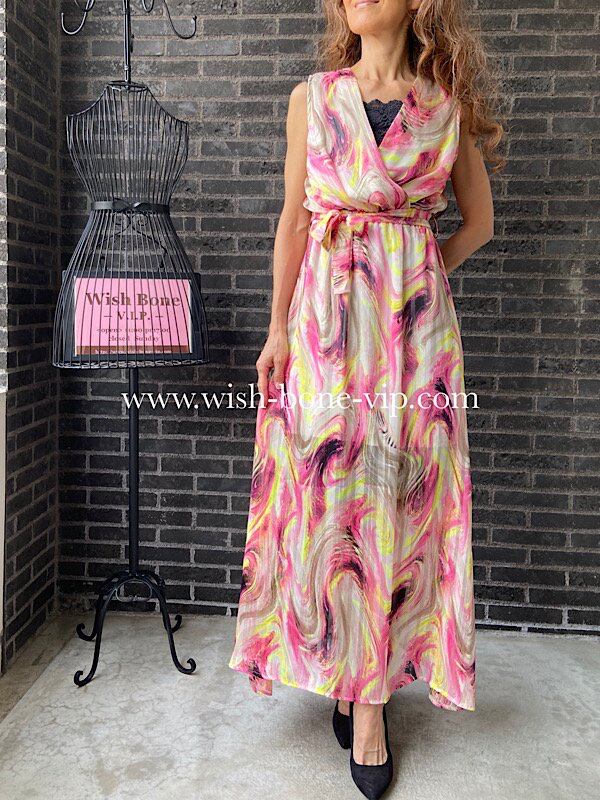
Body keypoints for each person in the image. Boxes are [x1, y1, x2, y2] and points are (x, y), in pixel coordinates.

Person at [229, 1, 503, 797]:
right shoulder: (313, 98)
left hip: (412, 340)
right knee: (330, 503)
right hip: (323, 330)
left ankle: (371, 702)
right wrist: (276, 330)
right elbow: (294, 220)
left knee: (401, 508)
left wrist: (416, 269)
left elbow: (479, 224)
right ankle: (346, 668)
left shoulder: (444, 108)